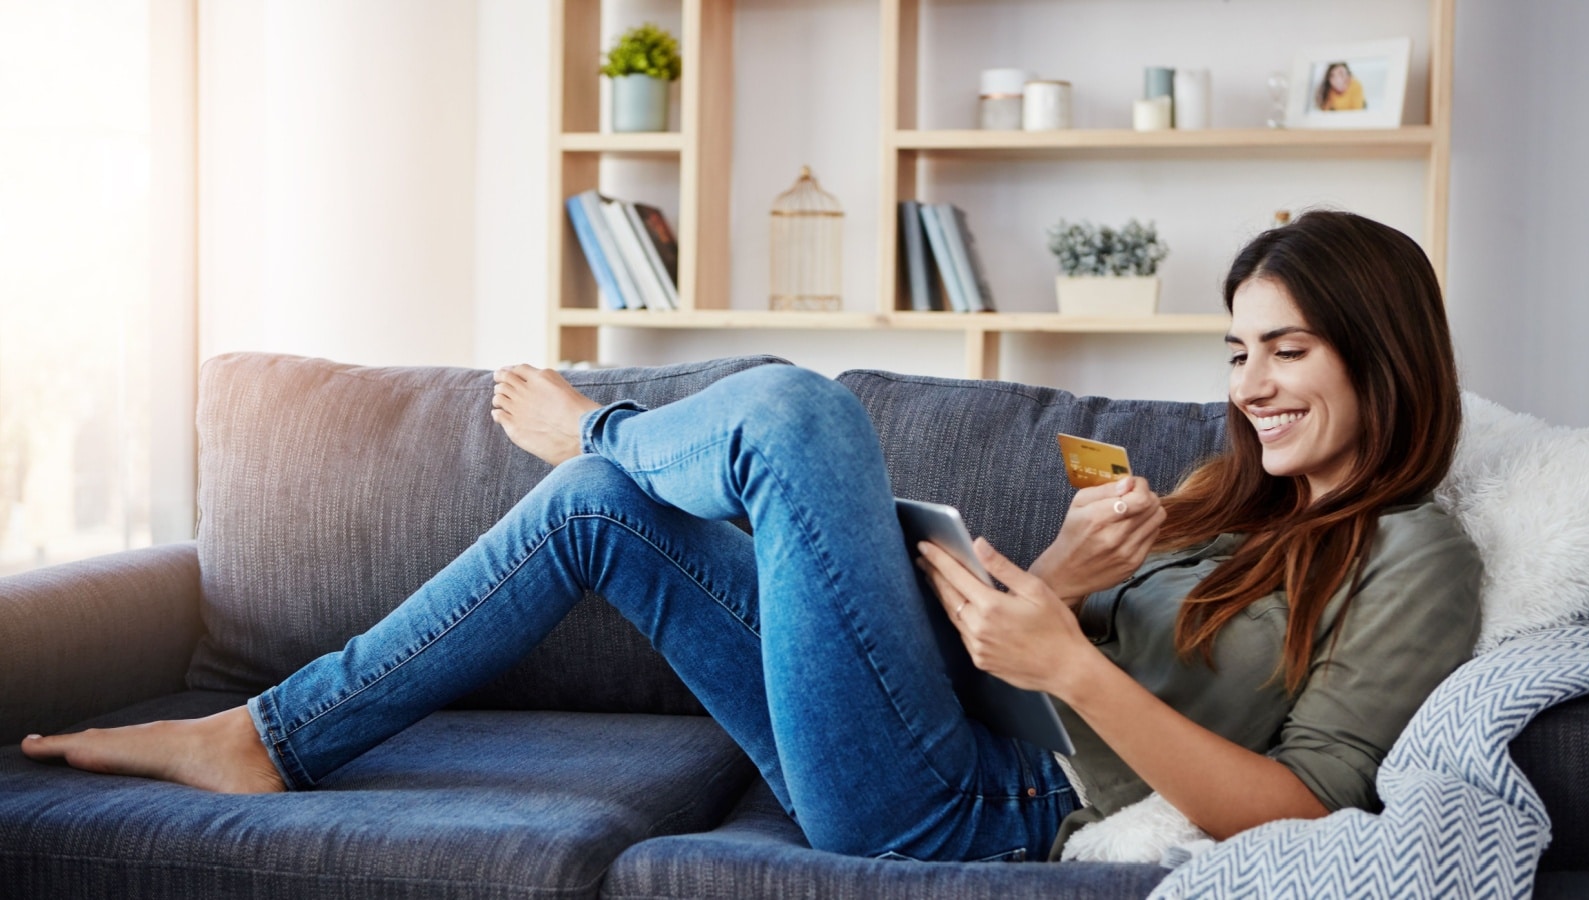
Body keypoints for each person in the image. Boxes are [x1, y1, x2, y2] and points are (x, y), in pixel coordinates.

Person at [23, 211, 1480, 863]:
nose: (1250, 387)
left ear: (1379, 349)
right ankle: (270, 738)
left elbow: (1314, 816)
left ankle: (594, 423)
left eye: (1286, 352)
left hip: (991, 814)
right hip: (948, 724)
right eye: (1237, 352)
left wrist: (1079, 670)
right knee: (604, 518)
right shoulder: (1235, 503)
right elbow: (1035, 650)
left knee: (790, 415)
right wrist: (1063, 589)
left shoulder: (1414, 555)